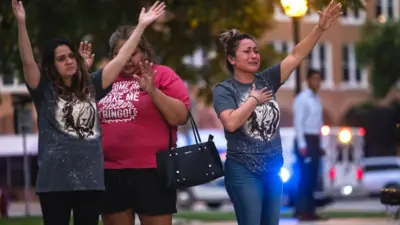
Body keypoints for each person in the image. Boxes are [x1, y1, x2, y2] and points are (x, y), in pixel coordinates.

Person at [11, 0, 165, 224]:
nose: (69, 61)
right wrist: (21, 22)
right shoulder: (43, 90)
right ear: (51, 65)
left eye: (71, 56)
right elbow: (26, 60)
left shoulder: (92, 85)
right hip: (54, 182)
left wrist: (141, 26)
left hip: (90, 182)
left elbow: (120, 58)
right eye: (61, 59)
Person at [212, 2, 342, 225]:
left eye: (256, 50)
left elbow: (296, 55)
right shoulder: (224, 90)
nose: (254, 55)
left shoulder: (267, 80)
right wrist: (254, 99)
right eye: (247, 51)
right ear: (232, 59)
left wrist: (319, 29)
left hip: (273, 169)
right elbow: (231, 123)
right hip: (243, 171)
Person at [98, 21, 190, 225]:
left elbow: (180, 117)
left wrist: (153, 92)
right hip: (110, 172)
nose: (127, 60)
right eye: (119, 54)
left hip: (153, 171)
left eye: (133, 52)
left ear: (145, 53)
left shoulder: (162, 75)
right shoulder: (103, 80)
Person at [293, 69, 325, 221]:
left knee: (313, 177)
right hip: (305, 140)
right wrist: (302, 144)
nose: (316, 82)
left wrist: (320, 144)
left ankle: (310, 210)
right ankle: (301, 210)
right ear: (308, 80)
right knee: (304, 177)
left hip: (315, 140)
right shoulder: (302, 99)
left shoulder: (316, 99)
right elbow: (298, 123)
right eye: (314, 79)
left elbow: (319, 124)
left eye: (319, 79)